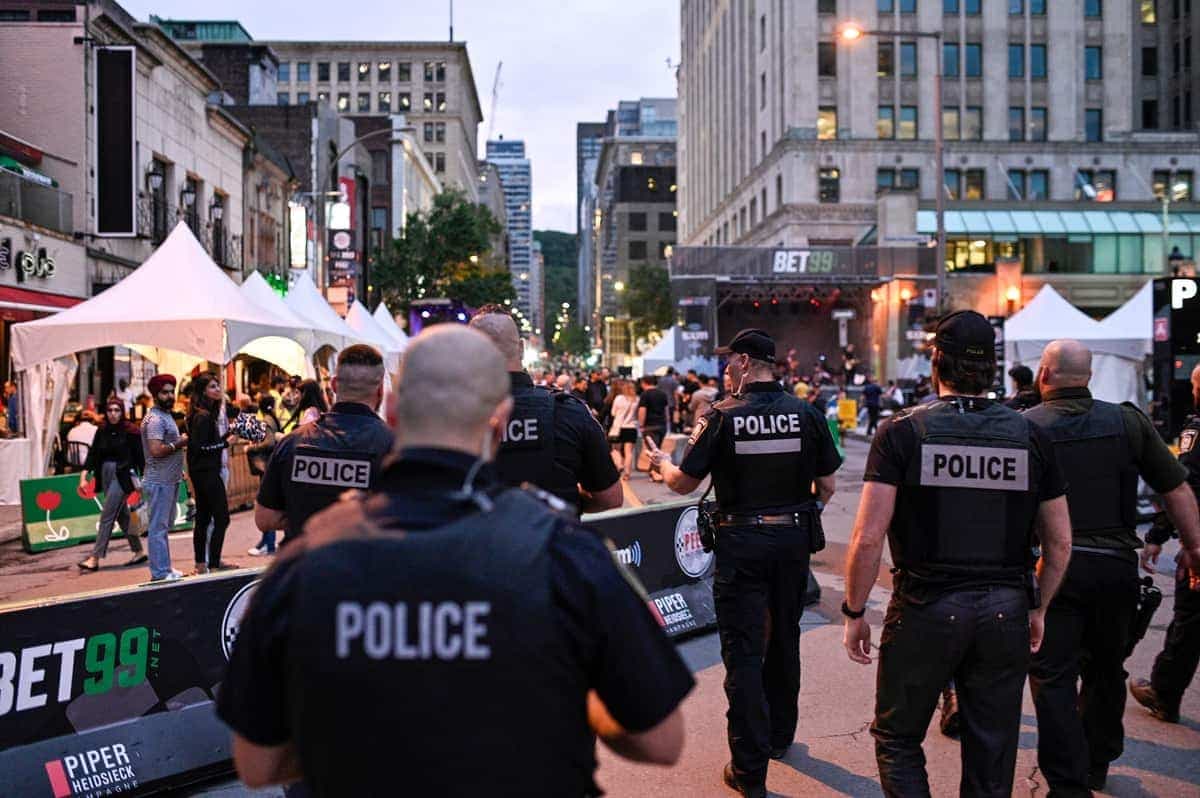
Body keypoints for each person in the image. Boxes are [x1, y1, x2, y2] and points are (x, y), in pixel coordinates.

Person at [217, 324, 693, 796]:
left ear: (393, 412)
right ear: (499, 420)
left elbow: (257, 763)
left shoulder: (306, 560)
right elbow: (661, 739)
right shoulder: (566, 552)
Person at [843, 310, 1073, 798]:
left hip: (924, 606)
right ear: (991, 367)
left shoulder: (903, 431)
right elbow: (1059, 542)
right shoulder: (1030, 435)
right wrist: (1039, 607)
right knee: (992, 747)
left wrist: (854, 612)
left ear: (936, 362)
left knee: (898, 737)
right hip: (1005, 608)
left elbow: (868, 536)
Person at [645, 328, 841, 798]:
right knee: (785, 637)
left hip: (742, 544)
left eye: (731, 360)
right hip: (792, 542)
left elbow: (683, 484)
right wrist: (799, 518)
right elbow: (829, 485)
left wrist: (661, 464)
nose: (726, 368)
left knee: (744, 650)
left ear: (747, 362)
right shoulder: (807, 414)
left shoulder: (721, 416)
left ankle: (750, 771)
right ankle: (779, 737)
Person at [1024, 339, 1200, 793]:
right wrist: (1194, 548)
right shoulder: (1127, 421)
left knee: (1052, 676)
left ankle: (1067, 779)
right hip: (1115, 570)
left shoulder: (1025, 427)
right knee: (1106, 670)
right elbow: (1176, 489)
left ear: (1044, 375)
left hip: (1052, 572)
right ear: (1089, 377)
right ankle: (1095, 762)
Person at [469, 310, 622, 514]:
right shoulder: (570, 411)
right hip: (553, 531)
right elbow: (610, 498)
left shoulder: (449, 420)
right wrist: (564, 504)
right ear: (521, 348)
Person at [255, 346, 391, 546]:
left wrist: (310, 520)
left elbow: (265, 518)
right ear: (380, 390)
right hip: (365, 560)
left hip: (303, 559)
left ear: (334, 385)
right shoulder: (395, 446)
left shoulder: (292, 442)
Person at [1129, 364, 1200, 724]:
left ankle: (1165, 693)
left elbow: (1184, 486)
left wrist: (1158, 534)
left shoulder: (1196, 429)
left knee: (1190, 618)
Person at [77, 399, 147, 571]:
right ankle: (138, 551)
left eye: (117, 410)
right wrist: (83, 476)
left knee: (107, 515)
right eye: (110, 410)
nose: (113, 414)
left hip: (124, 476)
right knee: (122, 515)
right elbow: (93, 454)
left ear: (122, 412)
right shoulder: (102, 430)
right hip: (105, 474)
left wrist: (145, 479)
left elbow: (141, 457)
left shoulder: (131, 431)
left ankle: (94, 558)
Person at [186, 373, 238, 575]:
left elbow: (206, 443)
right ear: (203, 391)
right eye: (212, 387)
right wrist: (225, 444)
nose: (218, 390)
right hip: (206, 472)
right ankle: (213, 564)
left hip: (202, 471)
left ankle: (202, 564)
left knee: (204, 518)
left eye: (218, 386)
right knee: (221, 518)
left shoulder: (205, 414)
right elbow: (200, 447)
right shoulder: (203, 416)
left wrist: (227, 435)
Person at [141, 374, 187, 582]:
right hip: (159, 481)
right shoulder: (155, 420)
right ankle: (160, 572)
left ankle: (165, 567)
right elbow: (156, 450)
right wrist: (180, 443)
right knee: (158, 528)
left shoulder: (165, 415)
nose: (169, 396)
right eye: (164, 392)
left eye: (171, 392)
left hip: (168, 479)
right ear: (155, 395)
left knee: (163, 527)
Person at [247, 395, 282, 557]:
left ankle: (269, 544)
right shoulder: (273, 419)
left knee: (266, 502)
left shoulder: (266, 421)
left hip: (266, 465)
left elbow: (269, 442)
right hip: (273, 465)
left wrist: (251, 448)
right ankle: (266, 543)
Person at [637, 376, 669, 483]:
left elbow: (642, 410)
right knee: (656, 449)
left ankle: (656, 473)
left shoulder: (645, 394)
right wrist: (666, 422)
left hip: (650, 426)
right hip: (662, 425)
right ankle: (652, 472)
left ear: (644, 383)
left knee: (654, 452)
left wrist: (641, 425)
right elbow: (666, 410)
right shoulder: (662, 394)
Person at [609, 380, 639, 480]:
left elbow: (613, 413)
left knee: (616, 449)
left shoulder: (619, 398)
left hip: (618, 428)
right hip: (631, 427)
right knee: (628, 452)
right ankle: (627, 473)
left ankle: (619, 464)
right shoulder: (637, 399)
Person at [659, 367, 679, 432]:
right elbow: (675, 393)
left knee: (663, 417)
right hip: (671, 401)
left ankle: (664, 430)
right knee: (671, 418)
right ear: (672, 372)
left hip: (662, 401)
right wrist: (677, 404)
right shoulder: (674, 381)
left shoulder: (660, 380)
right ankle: (672, 430)